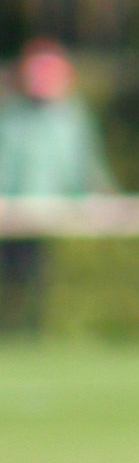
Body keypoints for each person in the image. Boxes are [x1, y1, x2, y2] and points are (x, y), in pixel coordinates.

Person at [0, 38, 117, 330]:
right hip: (14, 213)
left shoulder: (73, 118)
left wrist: (101, 195)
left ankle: (36, 327)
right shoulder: (12, 118)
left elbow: (86, 167)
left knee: (43, 276)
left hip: (59, 213)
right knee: (16, 273)